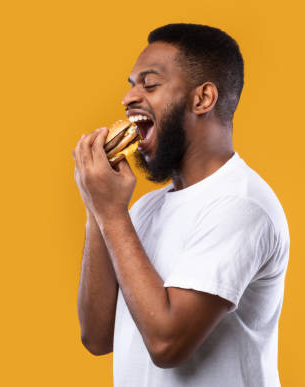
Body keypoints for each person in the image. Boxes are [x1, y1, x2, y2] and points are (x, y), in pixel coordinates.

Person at [73, 23, 290, 387]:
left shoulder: (240, 204)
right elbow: (97, 336)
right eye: (131, 86)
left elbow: (166, 343)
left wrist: (110, 214)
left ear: (202, 99)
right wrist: (98, 208)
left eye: (150, 84)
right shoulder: (141, 211)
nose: (129, 99)